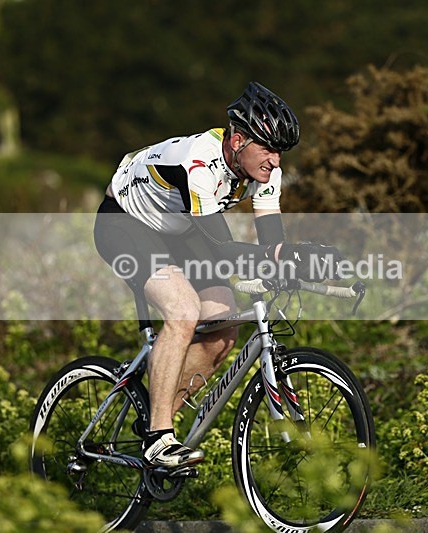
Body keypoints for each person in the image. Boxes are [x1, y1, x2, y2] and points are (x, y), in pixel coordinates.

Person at [93, 81, 341, 469]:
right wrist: (279, 259)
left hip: (179, 227)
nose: (276, 161)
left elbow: (271, 244)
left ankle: (157, 424)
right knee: (183, 311)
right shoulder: (198, 163)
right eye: (269, 149)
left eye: (280, 152)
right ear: (238, 141)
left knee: (223, 326)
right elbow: (223, 249)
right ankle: (158, 438)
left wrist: (298, 260)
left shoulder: (265, 172)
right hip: (126, 223)